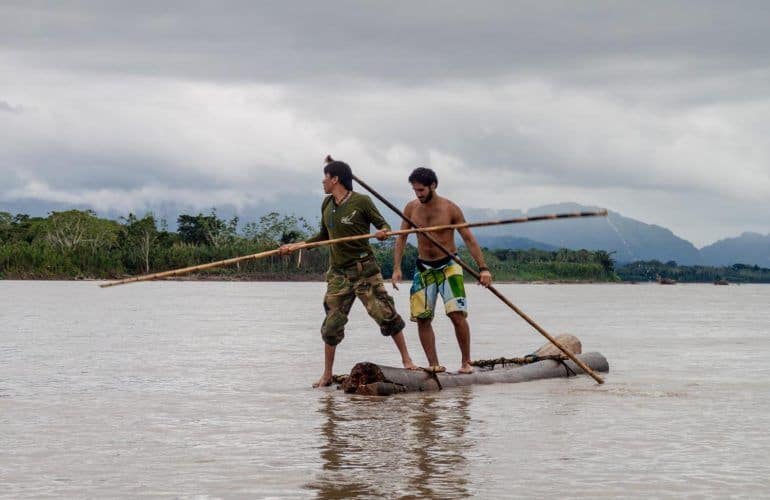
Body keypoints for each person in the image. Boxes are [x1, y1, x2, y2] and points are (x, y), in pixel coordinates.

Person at [279, 157, 418, 387]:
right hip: (338, 274)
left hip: (364, 271)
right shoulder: (327, 205)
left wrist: (382, 233)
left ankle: (407, 360)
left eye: (325, 177)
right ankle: (327, 374)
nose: (322, 181)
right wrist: (297, 246)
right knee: (331, 325)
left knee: (385, 314)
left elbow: (383, 225)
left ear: (336, 179)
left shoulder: (362, 202)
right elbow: (323, 237)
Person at [391, 167, 492, 374]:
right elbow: (401, 237)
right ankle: (433, 365)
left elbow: (468, 239)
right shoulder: (411, 208)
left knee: (456, 315)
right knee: (423, 317)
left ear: (433, 186)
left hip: (449, 265)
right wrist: (397, 268)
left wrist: (483, 269)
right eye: (415, 190)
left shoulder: (450, 209)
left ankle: (466, 363)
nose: (418, 194)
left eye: (421, 190)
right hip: (423, 267)